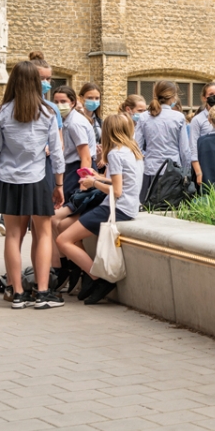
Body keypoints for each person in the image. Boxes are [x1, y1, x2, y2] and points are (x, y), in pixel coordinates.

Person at [0, 61, 65, 308]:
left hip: (8, 179)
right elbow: (58, 153)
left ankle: (17, 292)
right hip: (39, 177)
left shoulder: (1, 112)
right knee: (42, 235)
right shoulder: (48, 113)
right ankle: (42, 292)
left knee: (12, 235)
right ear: (35, 83)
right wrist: (59, 184)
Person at [56, 114, 144, 306]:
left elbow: (117, 191)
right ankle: (89, 275)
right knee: (66, 230)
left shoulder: (115, 154)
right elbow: (123, 182)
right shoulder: (132, 150)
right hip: (128, 207)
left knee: (63, 240)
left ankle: (98, 279)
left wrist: (93, 182)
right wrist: (99, 177)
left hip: (116, 208)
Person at [136, 80, 194, 201]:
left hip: (151, 170)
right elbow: (184, 150)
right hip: (173, 170)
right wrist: (186, 171)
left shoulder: (144, 117)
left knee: (149, 209)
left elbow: (137, 147)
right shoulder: (178, 117)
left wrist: (149, 156)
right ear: (173, 97)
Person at [52, 86, 95, 206]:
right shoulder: (65, 120)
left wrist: (83, 184)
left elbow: (85, 157)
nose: (59, 105)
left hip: (78, 168)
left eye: (63, 101)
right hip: (70, 168)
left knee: (70, 206)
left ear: (72, 103)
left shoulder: (74, 123)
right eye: (56, 102)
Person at [189, 82, 215, 164]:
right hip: (205, 162)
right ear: (204, 98)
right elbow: (193, 147)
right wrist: (198, 172)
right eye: (211, 94)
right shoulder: (197, 120)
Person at [79, 82, 104, 151]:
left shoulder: (99, 122)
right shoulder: (76, 119)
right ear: (81, 98)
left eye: (97, 98)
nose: (94, 101)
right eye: (90, 98)